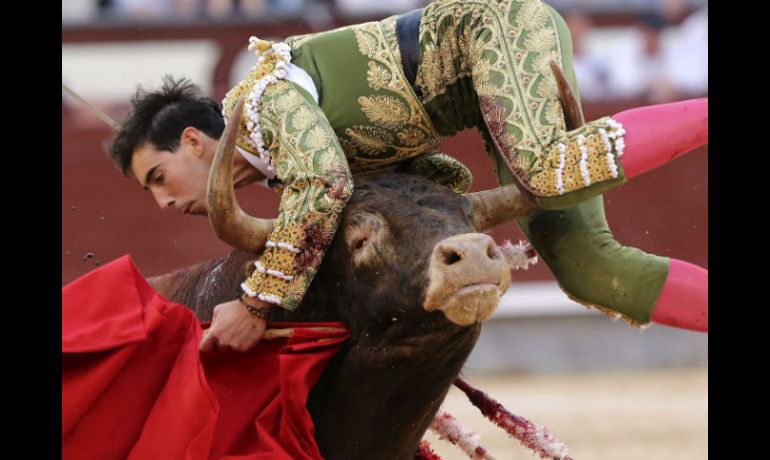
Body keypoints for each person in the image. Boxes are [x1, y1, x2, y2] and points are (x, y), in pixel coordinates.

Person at [109, 0, 708, 353]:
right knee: (588, 270)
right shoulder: (285, 167)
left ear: (194, 141)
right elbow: (436, 176)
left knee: (548, 170)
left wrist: (257, 303)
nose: (163, 201)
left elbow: (325, 186)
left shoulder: (263, 101)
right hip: (486, 101)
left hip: (494, 33)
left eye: (158, 176)